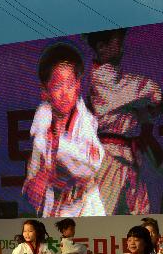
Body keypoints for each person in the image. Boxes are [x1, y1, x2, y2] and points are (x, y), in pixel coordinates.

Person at [86, 28, 163, 215]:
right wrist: (156, 94)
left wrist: (158, 107)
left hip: (126, 155)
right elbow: (134, 89)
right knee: (105, 212)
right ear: (101, 47)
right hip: (110, 157)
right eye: (118, 43)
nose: (122, 49)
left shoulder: (115, 80)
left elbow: (134, 116)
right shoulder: (102, 77)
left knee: (141, 214)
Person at [23, 42, 105, 217]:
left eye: (70, 84)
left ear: (78, 86)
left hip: (86, 205)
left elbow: (92, 164)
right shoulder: (42, 123)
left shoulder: (85, 122)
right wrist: (35, 182)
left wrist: (56, 155)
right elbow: (33, 177)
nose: (65, 93)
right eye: (58, 85)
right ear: (44, 91)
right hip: (56, 207)